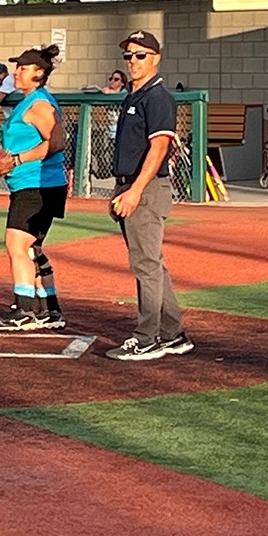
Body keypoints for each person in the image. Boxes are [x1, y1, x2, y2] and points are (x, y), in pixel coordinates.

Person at [105, 30, 194, 361]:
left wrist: (134, 191)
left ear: (156, 58)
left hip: (147, 187)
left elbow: (158, 149)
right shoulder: (133, 95)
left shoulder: (157, 97)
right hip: (131, 184)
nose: (133, 61)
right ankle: (172, 334)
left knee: (146, 265)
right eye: (129, 55)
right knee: (152, 263)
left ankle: (147, 338)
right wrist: (120, 189)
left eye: (140, 55)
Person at [0, 45, 69, 331]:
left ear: (39, 72)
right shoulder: (29, 101)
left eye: (23, 68)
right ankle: (49, 309)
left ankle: (24, 310)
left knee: (16, 244)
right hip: (33, 183)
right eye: (17, 67)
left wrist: (17, 159)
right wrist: (2, 157)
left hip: (37, 184)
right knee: (32, 247)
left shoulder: (40, 105)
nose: (16, 72)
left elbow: (56, 143)